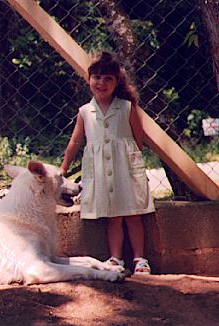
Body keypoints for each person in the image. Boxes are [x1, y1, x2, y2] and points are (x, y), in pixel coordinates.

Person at [60, 50, 155, 275]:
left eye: (108, 78)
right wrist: (63, 167)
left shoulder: (127, 107)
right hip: (102, 172)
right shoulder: (85, 112)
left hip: (125, 170)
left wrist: (131, 164)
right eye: (97, 77)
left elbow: (137, 138)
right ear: (89, 79)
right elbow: (75, 141)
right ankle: (116, 259)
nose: (101, 83)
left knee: (133, 214)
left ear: (116, 82)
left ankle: (140, 259)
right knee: (113, 217)